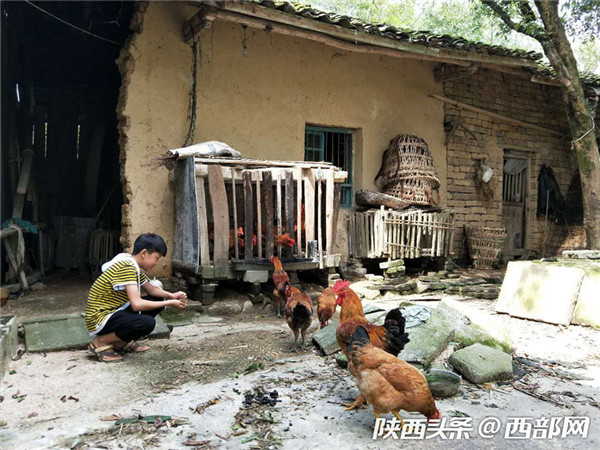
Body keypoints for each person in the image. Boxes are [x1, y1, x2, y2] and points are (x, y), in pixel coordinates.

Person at [85, 233, 187, 362]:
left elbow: (151, 289)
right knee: (146, 323)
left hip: (115, 312)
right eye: (156, 258)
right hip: (100, 317)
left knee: (159, 299)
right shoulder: (126, 267)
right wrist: (169, 303)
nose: (156, 263)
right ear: (144, 253)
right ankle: (101, 341)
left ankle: (120, 341)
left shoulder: (132, 265)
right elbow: (137, 304)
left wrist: (171, 296)